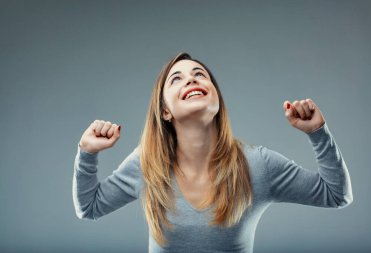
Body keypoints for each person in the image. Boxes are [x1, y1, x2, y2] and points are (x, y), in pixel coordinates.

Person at [72, 52, 353, 253]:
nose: (191, 80)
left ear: (216, 96)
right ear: (165, 111)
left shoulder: (258, 165)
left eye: (199, 75)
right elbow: (89, 207)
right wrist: (87, 153)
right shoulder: (147, 164)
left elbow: (336, 194)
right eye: (176, 79)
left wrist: (318, 133)